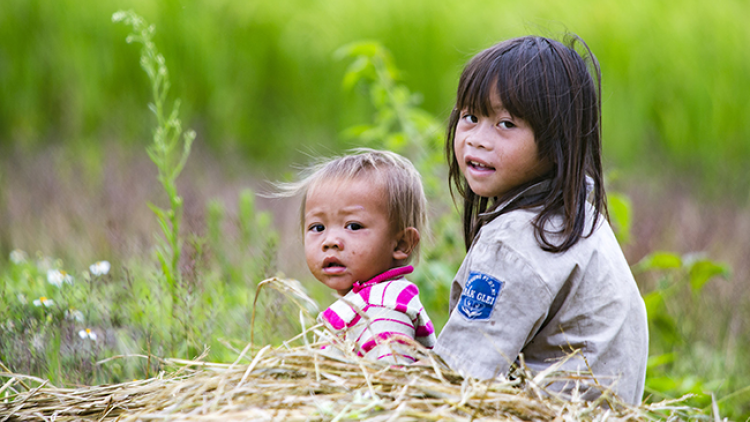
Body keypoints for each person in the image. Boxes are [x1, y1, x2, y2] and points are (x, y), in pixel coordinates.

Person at [433, 35, 649, 405]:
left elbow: (459, 378)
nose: (477, 140)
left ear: (556, 143)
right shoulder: (577, 216)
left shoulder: (516, 240)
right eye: (470, 117)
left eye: (505, 124)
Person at [276, 149, 436, 363]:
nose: (330, 241)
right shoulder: (364, 305)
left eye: (353, 226)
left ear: (401, 244)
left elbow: (390, 383)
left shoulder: (383, 311)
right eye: (318, 227)